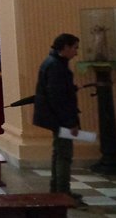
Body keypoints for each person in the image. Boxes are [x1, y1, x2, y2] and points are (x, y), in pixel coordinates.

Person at [33, 33, 85, 208]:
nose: (77, 52)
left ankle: (57, 191)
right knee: (64, 156)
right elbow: (58, 98)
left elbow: (58, 92)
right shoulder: (56, 66)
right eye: (75, 48)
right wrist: (70, 123)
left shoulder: (55, 63)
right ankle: (62, 194)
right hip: (60, 119)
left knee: (59, 153)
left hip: (56, 118)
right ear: (65, 48)